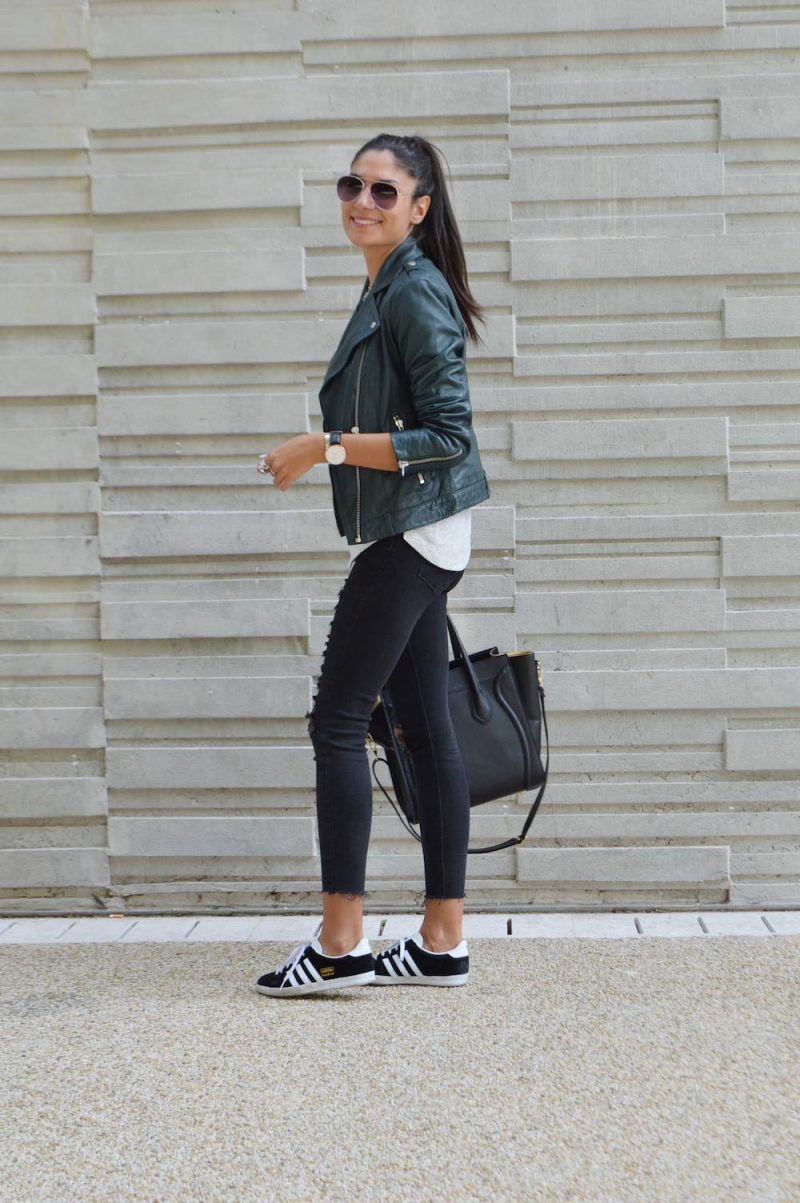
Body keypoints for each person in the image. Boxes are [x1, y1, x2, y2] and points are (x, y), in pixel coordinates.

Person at [253, 133, 490, 997]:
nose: (363, 201)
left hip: (412, 536)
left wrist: (324, 446)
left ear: (418, 209)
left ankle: (340, 942)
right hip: (426, 533)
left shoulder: (413, 290)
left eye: (385, 191)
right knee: (424, 733)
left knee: (338, 720)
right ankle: (440, 942)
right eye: (353, 185)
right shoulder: (389, 283)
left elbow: (450, 434)